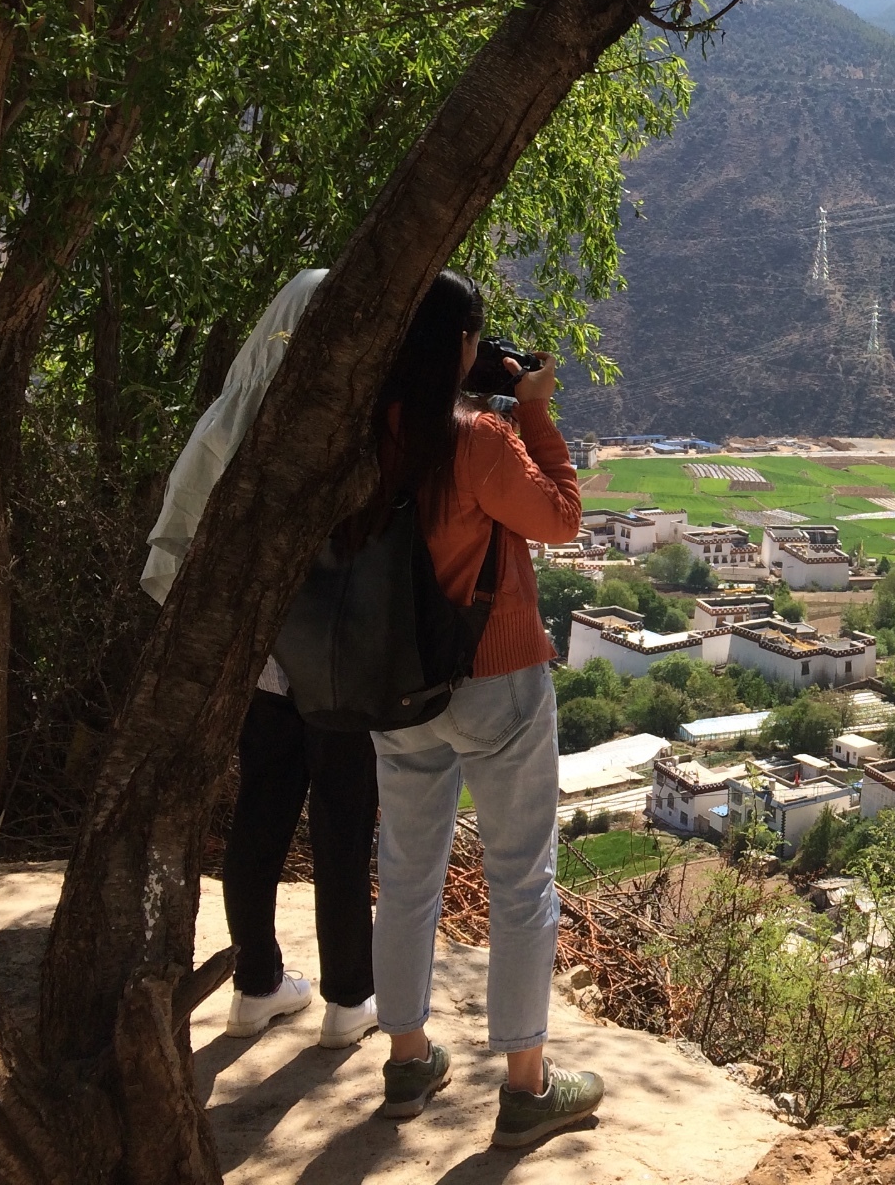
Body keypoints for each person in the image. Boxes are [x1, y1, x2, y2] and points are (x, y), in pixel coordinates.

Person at [365, 270, 598, 1148]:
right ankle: (527, 1086)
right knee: (521, 881)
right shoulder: (483, 439)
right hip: (496, 678)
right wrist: (533, 408)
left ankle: (407, 1059)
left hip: (396, 684)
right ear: (463, 348)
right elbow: (563, 517)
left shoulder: (369, 430)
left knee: (409, 874)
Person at [141, 269, 380, 1048]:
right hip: (336, 655)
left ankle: (256, 983)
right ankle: (348, 1000)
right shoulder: (339, 420)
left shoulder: (230, 417)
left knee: (261, 812)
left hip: (258, 656)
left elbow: (183, 531)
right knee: (343, 821)